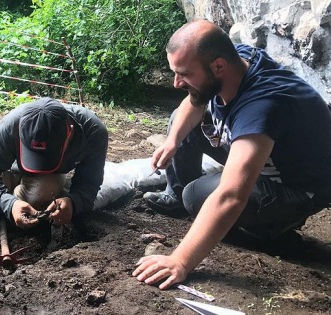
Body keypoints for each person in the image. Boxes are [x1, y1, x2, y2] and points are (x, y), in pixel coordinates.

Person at [132, 19, 331, 290]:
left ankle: (274, 231)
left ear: (218, 66)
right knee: (182, 119)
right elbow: (195, 100)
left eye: (184, 73)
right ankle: (175, 195)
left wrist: (180, 260)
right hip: (267, 155)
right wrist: (172, 141)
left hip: (298, 187)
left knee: (198, 196)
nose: (176, 83)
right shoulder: (238, 58)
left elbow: (231, 197)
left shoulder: (262, 106)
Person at [0, 97, 108, 235]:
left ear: (70, 133)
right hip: (5, 171)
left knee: (39, 200)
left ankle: (12, 209)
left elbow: (90, 183)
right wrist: (8, 203)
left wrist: (73, 202)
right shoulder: (12, 125)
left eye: (48, 157)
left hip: (45, 179)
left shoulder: (92, 132)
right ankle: (9, 206)